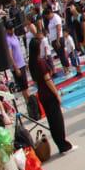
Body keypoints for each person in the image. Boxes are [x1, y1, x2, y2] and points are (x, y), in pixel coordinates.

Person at [25, 20, 73, 155]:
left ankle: (61, 144)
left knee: (53, 121)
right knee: (57, 120)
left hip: (42, 93)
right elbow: (48, 80)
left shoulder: (32, 63)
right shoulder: (39, 62)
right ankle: (63, 145)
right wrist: (57, 94)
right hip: (48, 93)